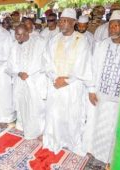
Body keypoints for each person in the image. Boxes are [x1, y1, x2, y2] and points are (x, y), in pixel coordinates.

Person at [43, 8, 92, 156]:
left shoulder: (82, 40)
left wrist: (67, 80)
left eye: (66, 21)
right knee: (55, 115)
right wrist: (54, 78)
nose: (62, 24)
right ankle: (55, 140)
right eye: (61, 20)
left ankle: (72, 143)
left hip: (72, 86)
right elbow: (46, 61)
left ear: (74, 22)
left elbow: (83, 64)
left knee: (72, 116)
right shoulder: (54, 40)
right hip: (55, 85)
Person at [86, 10, 120, 164]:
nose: (112, 29)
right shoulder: (101, 45)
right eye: (111, 26)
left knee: (114, 129)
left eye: (116, 26)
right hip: (100, 96)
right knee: (98, 126)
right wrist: (91, 90)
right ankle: (96, 154)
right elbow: (92, 68)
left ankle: (111, 158)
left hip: (119, 101)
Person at [7, 24, 47, 139]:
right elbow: (10, 63)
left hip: (35, 79)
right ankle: (23, 125)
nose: (17, 37)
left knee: (35, 106)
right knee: (21, 103)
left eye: (19, 34)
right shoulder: (14, 46)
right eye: (16, 34)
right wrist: (19, 73)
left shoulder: (39, 43)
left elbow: (43, 62)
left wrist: (29, 73)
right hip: (20, 79)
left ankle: (37, 129)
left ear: (26, 33)